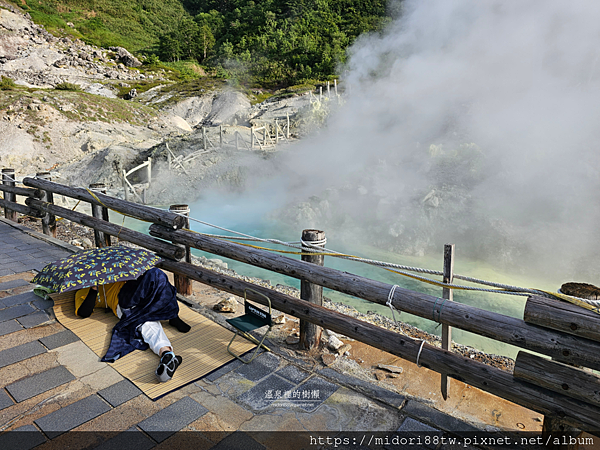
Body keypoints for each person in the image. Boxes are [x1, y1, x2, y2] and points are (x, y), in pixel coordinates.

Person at [74, 267, 190, 382]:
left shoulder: (112, 272)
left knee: (158, 278)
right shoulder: (82, 291)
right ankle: (168, 346)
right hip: (124, 301)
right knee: (146, 322)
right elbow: (83, 312)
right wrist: (94, 288)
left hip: (137, 292)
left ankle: (167, 355)